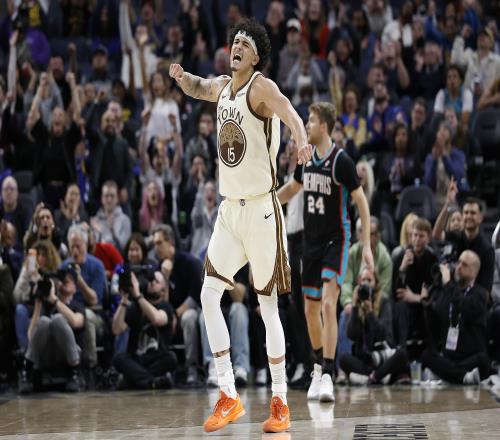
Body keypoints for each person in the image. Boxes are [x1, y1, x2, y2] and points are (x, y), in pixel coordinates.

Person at [169, 17, 312, 434]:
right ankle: (229, 394)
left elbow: (289, 111)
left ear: (256, 57)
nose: (236, 47)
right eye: (235, 41)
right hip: (230, 211)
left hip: (263, 211)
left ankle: (280, 401)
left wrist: (301, 139)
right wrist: (181, 78)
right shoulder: (222, 86)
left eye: (245, 44)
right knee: (208, 294)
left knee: (267, 308)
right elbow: (199, 87)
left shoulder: (260, 88)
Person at [278, 102, 374, 403]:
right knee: (310, 309)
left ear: (324, 126)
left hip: (337, 239)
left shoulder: (341, 161)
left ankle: (330, 374)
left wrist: (366, 244)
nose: (306, 125)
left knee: (329, 305)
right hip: (311, 242)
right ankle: (318, 368)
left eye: (311, 120)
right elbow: (293, 188)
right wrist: (268, 201)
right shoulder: (305, 158)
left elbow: (361, 202)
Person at [421, 251, 489, 384]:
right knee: (426, 355)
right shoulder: (448, 292)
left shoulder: (480, 294)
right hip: (450, 357)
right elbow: (434, 326)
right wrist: (427, 305)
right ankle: (463, 377)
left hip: (471, 357)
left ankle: (449, 374)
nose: (458, 267)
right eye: (459, 262)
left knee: (482, 360)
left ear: (474, 272)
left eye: (464, 264)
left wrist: (448, 284)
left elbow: (463, 306)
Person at [112, 271, 177, 390]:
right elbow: (116, 330)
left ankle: (132, 380)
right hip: (137, 359)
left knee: (171, 358)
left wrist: (138, 296)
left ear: (163, 290)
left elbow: (157, 319)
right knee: (118, 358)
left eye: (156, 281)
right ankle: (151, 382)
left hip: (157, 358)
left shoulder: (166, 307)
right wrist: (124, 300)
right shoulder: (135, 307)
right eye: (151, 280)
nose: (152, 283)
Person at [433, 181, 495, 293]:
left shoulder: (487, 249)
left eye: (473, 213)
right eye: (466, 213)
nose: (468, 216)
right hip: (453, 292)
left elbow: (486, 290)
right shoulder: (457, 236)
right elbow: (436, 234)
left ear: (480, 218)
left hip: (474, 297)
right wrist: (448, 204)